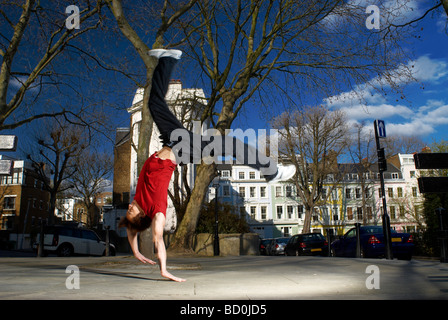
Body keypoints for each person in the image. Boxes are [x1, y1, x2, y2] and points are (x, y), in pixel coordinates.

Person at [120, 48, 295, 282]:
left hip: (172, 137)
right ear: (142, 216)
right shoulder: (157, 211)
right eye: (132, 211)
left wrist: (135, 251)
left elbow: (131, 233)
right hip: (182, 150)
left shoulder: (138, 202)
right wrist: (163, 269)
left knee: (153, 104)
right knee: (229, 144)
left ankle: (169, 59)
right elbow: (158, 239)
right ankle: (272, 172)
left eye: (128, 209)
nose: (130, 206)